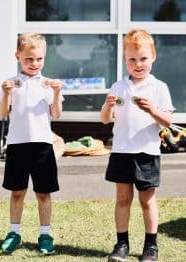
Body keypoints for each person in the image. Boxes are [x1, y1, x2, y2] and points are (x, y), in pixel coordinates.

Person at [100, 29, 174, 262]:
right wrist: (108, 106)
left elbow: (168, 121)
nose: (138, 64)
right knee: (123, 200)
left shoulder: (159, 87)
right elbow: (104, 119)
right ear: (125, 60)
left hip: (147, 152)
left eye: (143, 58)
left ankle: (150, 247)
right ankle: (121, 244)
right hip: (122, 150)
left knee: (146, 200)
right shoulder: (118, 86)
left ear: (153, 56)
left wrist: (152, 110)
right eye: (132, 59)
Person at [0, 32, 63, 255]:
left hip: (42, 145)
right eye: (29, 59)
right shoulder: (11, 83)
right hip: (17, 144)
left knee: (43, 193)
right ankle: (14, 232)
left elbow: (56, 114)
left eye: (39, 59)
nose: (34, 63)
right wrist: (6, 93)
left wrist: (56, 92)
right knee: (17, 192)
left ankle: (45, 234)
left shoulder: (48, 84)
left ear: (44, 57)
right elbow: (3, 112)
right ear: (18, 56)